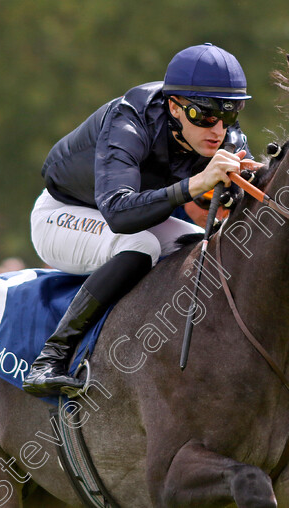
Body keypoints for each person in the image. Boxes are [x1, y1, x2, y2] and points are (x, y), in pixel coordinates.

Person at [24, 43, 259, 396]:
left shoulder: (224, 135)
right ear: (175, 107)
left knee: (201, 247)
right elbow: (119, 214)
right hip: (63, 214)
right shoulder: (127, 121)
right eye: (206, 116)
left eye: (229, 115)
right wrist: (196, 184)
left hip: (133, 215)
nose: (218, 130)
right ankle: (50, 357)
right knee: (141, 245)